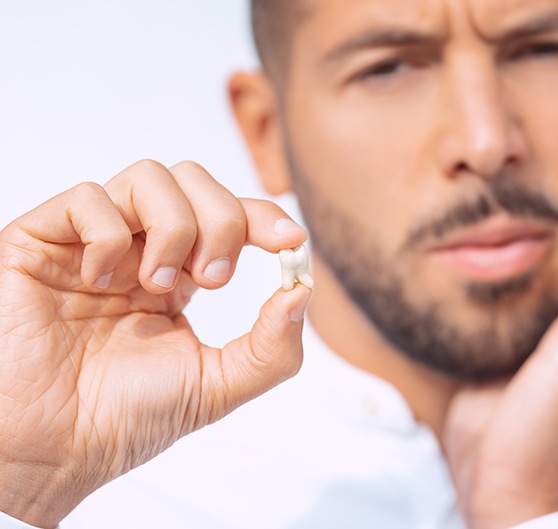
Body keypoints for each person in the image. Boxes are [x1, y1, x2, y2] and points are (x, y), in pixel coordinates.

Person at [2, 0, 558, 528]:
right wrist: (22, 482)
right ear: (266, 132)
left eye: (542, 49)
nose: (487, 142)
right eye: (386, 68)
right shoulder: (108, 502)